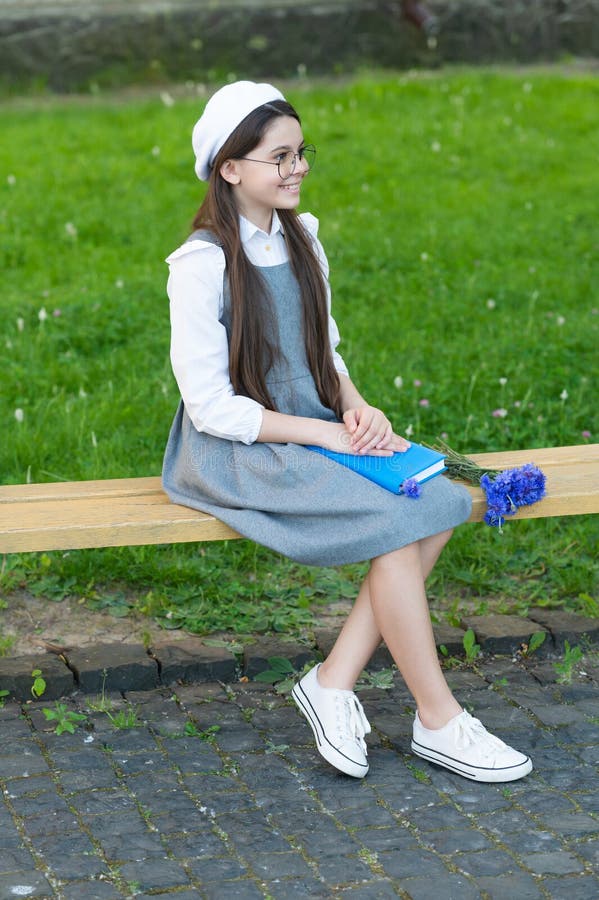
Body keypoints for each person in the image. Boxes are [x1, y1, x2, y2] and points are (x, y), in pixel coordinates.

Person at [162, 81, 532, 784]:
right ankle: (437, 717)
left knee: (440, 499)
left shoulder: (303, 238)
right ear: (231, 169)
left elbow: (323, 353)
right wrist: (326, 437)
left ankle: (332, 682)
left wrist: (357, 409)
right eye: (278, 156)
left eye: (300, 152)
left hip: (315, 421)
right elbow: (212, 407)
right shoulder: (201, 265)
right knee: (395, 522)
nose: (295, 166)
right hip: (240, 448)